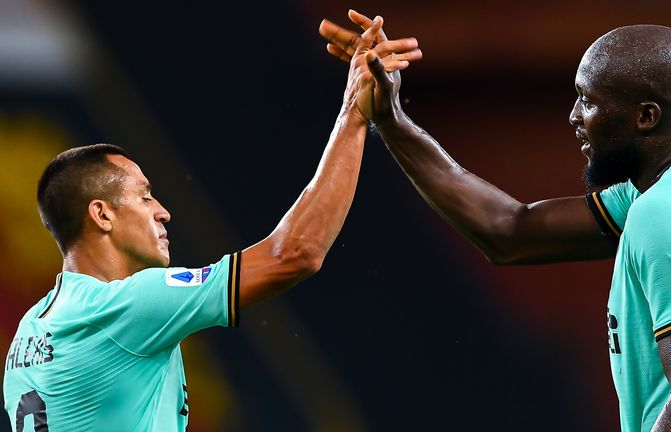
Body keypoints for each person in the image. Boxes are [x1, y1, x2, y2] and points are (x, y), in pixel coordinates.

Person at [320, 12, 671, 432]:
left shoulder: (668, 211)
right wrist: (391, 119)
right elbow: (511, 232)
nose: (574, 117)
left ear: (646, 116)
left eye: (588, 101)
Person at [2, 16, 422, 431]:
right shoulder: (129, 306)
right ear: (102, 214)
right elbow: (295, 254)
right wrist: (353, 113)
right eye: (145, 195)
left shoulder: (29, 333)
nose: (162, 211)